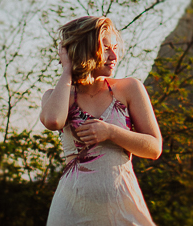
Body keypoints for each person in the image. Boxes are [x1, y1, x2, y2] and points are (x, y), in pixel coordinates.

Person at [39, 16, 162, 226]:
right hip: (71, 210)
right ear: (83, 51)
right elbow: (53, 121)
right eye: (105, 49)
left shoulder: (129, 88)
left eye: (115, 48)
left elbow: (154, 148)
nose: (114, 56)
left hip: (122, 205)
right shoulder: (56, 96)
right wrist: (67, 70)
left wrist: (111, 132)